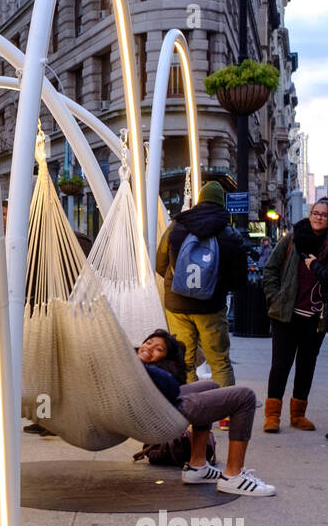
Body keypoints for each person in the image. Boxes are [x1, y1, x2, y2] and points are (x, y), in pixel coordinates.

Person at [137, 329, 276, 496]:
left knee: (210, 386)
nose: (148, 348)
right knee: (245, 396)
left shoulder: (143, 368)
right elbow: (170, 387)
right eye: (149, 342)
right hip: (158, 412)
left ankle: (198, 466)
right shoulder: (132, 364)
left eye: (158, 349)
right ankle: (233, 476)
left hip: (159, 402)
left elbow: (171, 386)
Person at [156, 181, 248, 386]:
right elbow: (240, 280)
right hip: (211, 307)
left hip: (177, 305)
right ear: (220, 203)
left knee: (184, 363)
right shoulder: (229, 234)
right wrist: (217, 287)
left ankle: (190, 415)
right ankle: (224, 414)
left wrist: (177, 283)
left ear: (199, 201)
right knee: (220, 362)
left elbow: (160, 264)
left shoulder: (177, 225)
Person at [261, 199, 328, 431]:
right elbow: (270, 268)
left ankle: (298, 415)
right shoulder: (292, 239)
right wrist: (274, 296)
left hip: (316, 318)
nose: (318, 217)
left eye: (324, 215)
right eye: (315, 213)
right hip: (286, 315)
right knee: (280, 365)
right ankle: (272, 416)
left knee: (306, 366)